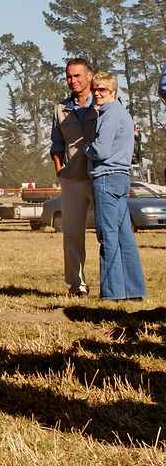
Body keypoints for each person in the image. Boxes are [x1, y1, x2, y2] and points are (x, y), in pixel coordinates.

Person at [85, 72, 146, 300]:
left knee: (107, 236)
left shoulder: (108, 115)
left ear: (112, 91)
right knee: (124, 236)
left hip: (106, 177)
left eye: (102, 89)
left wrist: (86, 149)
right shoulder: (124, 114)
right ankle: (134, 290)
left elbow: (101, 150)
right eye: (94, 89)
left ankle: (112, 293)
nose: (97, 93)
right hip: (121, 178)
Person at [50, 58, 97, 297]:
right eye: (69, 76)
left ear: (90, 76)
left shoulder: (103, 103)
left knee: (108, 232)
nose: (73, 80)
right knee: (72, 234)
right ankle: (77, 285)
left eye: (77, 76)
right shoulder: (60, 108)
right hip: (72, 179)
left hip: (100, 177)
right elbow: (57, 143)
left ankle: (113, 284)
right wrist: (60, 170)